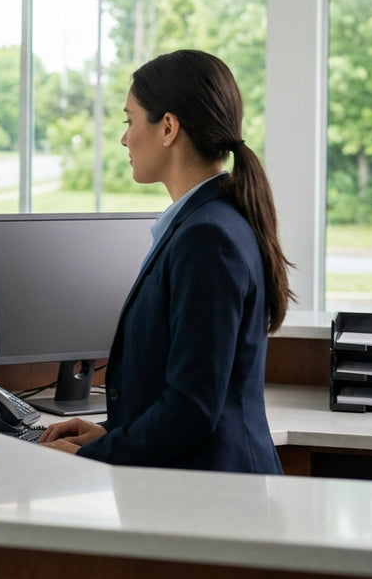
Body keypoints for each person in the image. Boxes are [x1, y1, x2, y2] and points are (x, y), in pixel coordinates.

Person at [39, 49, 292, 474]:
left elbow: (192, 409)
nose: (124, 138)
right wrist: (111, 433)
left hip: (213, 493)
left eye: (130, 120)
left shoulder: (207, 237)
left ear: (168, 128)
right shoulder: (210, 222)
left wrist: (93, 455)